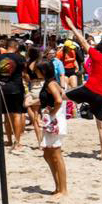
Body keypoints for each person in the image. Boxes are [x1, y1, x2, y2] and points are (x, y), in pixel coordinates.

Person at [61, 21, 102, 160]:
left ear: (99, 51)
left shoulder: (96, 56)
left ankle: (39, 101)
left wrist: (72, 27)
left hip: (89, 89)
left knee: (62, 95)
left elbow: (83, 41)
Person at [34, 59, 67, 196]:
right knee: (48, 154)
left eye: (37, 69)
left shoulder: (51, 83)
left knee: (56, 154)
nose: (34, 71)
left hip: (55, 121)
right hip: (51, 120)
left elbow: (59, 100)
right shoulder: (50, 82)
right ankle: (58, 186)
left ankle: (63, 189)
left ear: (43, 70)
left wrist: (52, 113)